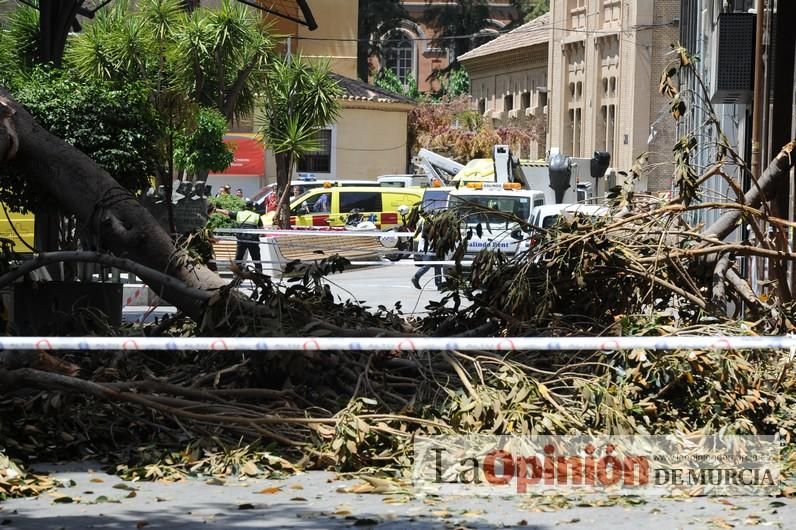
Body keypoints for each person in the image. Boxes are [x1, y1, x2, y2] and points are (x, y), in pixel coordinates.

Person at [213, 199, 263, 273]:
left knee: (238, 260)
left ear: (245, 207)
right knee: (257, 260)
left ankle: (237, 277)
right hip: (253, 241)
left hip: (241, 240)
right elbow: (261, 228)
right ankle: (260, 276)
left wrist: (216, 209)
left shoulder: (239, 214)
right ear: (252, 208)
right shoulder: (256, 216)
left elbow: (227, 212)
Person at [412, 224, 444, 290]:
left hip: (435, 249)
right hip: (425, 249)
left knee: (438, 265)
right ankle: (416, 277)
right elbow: (424, 235)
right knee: (427, 265)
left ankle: (439, 284)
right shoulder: (427, 224)